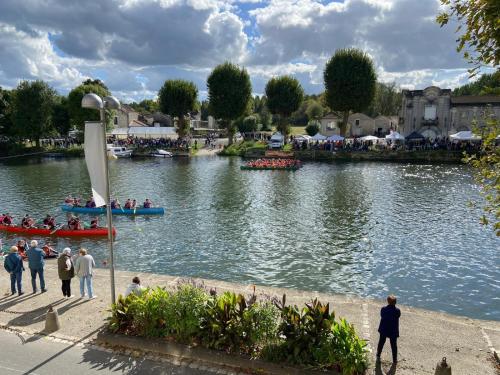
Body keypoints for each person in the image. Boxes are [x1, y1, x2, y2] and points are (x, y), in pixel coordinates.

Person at [376, 295, 401, 363]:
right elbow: (398, 316)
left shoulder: (383, 309)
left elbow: (382, 315)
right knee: (393, 345)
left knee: (381, 342)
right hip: (393, 330)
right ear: (395, 302)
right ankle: (394, 360)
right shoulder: (397, 311)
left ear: (388, 301)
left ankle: (378, 354)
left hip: (384, 329)